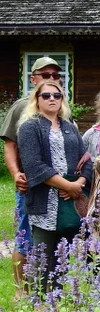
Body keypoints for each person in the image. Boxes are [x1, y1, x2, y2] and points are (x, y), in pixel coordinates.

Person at [16, 80, 92, 290]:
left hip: (69, 203)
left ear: (62, 100)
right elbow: (34, 166)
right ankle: (38, 303)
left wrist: (79, 183)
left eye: (56, 96)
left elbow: (86, 159)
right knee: (41, 258)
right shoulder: (29, 127)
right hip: (43, 202)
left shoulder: (69, 126)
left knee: (62, 258)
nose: (52, 99)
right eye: (46, 95)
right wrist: (67, 185)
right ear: (37, 100)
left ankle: (57, 301)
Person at [2, 56, 63, 295]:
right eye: (45, 75)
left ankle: (48, 288)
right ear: (33, 78)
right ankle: (21, 290)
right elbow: (10, 146)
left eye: (55, 75)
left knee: (50, 236)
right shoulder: (21, 107)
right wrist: (16, 173)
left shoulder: (60, 104)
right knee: (25, 235)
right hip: (30, 184)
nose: (50, 80)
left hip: (57, 185)